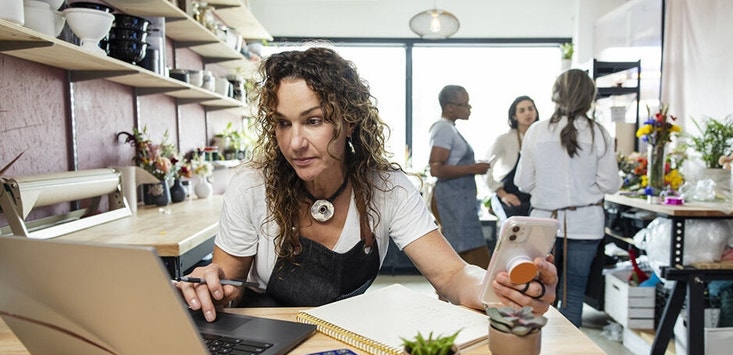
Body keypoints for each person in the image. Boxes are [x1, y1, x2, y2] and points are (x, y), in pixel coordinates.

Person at [176, 47, 558, 322]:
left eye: (313, 120)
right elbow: (230, 283)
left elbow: (452, 275)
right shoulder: (251, 185)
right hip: (265, 339)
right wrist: (211, 286)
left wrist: (500, 288)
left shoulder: (387, 189)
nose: (294, 142)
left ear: (350, 121)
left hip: (348, 339)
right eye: (282, 123)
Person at [514, 69, 622, 328]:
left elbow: (523, 182)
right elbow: (611, 184)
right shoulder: (599, 133)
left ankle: (532, 350)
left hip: (543, 223)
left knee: (535, 291)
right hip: (585, 223)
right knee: (573, 295)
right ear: (589, 97)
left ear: (556, 95)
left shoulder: (537, 131)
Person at [428, 85, 492, 269]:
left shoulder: (450, 129)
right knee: (461, 250)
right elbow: (436, 169)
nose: (469, 108)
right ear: (449, 107)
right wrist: (473, 168)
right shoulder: (443, 129)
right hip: (452, 199)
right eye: (465, 104)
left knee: (466, 249)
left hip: (459, 200)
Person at [485, 96, 540, 221]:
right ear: (514, 116)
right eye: (522, 110)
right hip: (510, 200)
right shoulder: (504, 139)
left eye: (530, 109)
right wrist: (502, 194)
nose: (527, 113)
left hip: (533, 200)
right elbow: (485, 168)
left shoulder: (541, 139)